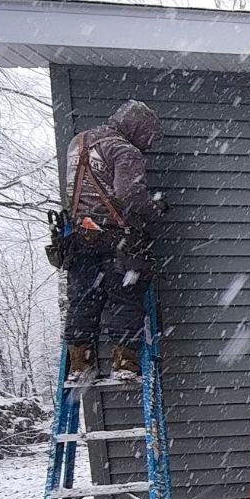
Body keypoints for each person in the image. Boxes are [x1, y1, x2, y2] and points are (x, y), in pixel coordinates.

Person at [60, 100, 164, 382]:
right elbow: (129, 196)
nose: (147, 144)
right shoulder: (123, 150)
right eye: (147, 136)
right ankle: (125, 363)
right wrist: (156, 209)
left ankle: (80, 363)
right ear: (137, 127)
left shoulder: (78, 143)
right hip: (116, 238)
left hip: (80, 238)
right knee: (125, 297)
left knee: (84, 300)